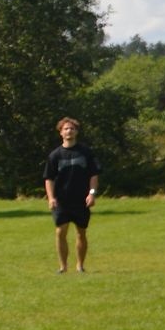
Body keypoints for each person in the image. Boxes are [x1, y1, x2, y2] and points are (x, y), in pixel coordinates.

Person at [43, 117, 100, 274]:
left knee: (81, 232)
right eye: (66, 129)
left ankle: (80, 266)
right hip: (62, 200)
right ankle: (63, 267)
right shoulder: (55, 155)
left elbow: (94, 174)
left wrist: (92, 194)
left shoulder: (86, 153)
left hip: (81, 200)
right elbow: (48, 178)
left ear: (76, 132)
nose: (69, 131)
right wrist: (51, 198)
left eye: (72, 128)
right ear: (61, 133)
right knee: (60, 232)